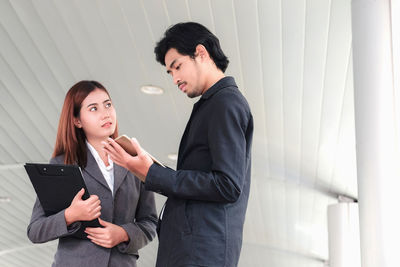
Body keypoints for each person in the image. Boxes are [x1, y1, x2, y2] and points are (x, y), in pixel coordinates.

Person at [103, 22, 253, 267]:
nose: (174, 79)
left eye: (177, 66)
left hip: (201, 254)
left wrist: (152, 174)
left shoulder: (225, 104)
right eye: (170, 72)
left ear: (201, 53)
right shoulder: (213, 104)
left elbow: (228, 185)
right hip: (192, 252)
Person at [27, 81, 157, 267]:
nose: (105, 113)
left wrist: (123, 234)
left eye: (108, 104)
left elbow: (150, 222)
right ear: (77, 121)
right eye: (93, 108)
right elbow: (35, 230)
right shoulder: (62, 164)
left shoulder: (136, 160)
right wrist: (70, 215)